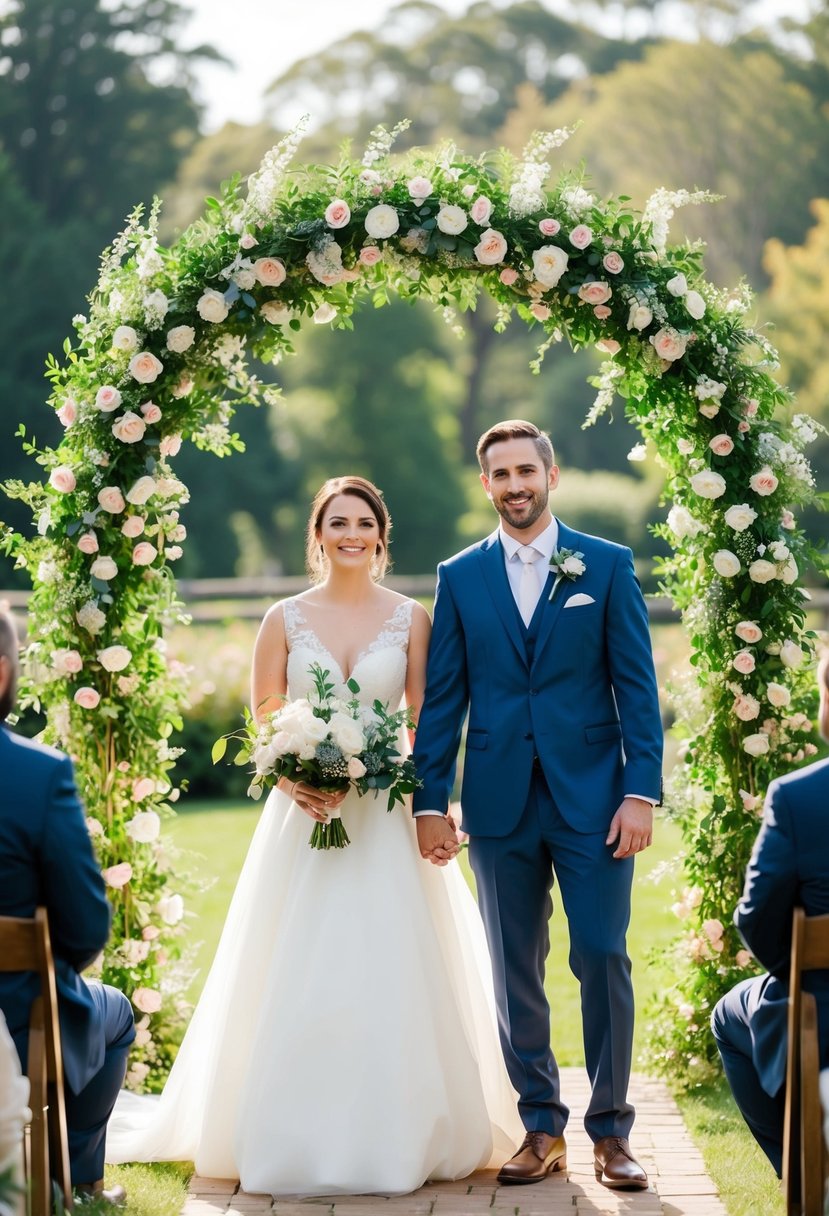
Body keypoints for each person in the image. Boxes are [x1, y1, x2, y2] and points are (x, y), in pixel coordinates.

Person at [106, 475, 522, 1195]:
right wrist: (292, 777)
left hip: (386, 819)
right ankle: (288, 1129)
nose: (350, 533)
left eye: (363, 521)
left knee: (390, 966)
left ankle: (403, 1131)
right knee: (300, 966)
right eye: (337, 522)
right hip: (307, 822)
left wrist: (425, 797)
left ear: (381, 535)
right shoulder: (283, 618)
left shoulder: (410, 619)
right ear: (318, 534)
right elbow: (264, 719)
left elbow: (429, 720)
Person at [413, 420, 663, 1190]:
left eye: (526, 470)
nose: (514, 485)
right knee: (513, 968)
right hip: (495, 805)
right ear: (484, 484)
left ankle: (612, 1133)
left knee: (602, 954)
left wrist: (639, 792)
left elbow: (637, 689)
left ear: (549, 474)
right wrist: (430, 800)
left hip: (593, 800)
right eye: (500, 474)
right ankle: (540, 1126)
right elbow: (444, 698)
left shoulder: (608, 566)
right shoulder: (458, 576)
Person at [0, 608, 135, 1206]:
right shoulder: (38, 775)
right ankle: (75, 1183)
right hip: (14, 1016)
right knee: (116, 1013)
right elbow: (84, 933)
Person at [711, 650, 829, 1177]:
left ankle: (804, 1171)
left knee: (729, 1013)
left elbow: (756, 919)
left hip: (821, 1013)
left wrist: (797, 968)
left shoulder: (799, 798)